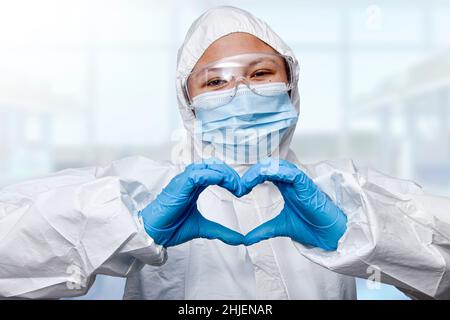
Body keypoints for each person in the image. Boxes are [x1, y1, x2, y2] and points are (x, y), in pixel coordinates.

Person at [0, 6, 449, 300]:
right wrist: (122, 230)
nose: (241, 92)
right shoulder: (138, 189)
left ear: (290, 87)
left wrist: (371, 240)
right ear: (187, 98)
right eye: (216, 81)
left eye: (261, 73)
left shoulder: (344, 191)